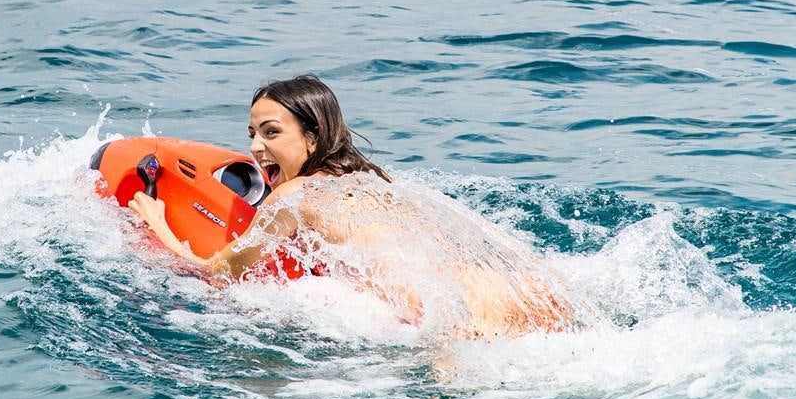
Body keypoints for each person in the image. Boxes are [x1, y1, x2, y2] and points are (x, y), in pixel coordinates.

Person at [128, 75, 577, 338]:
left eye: (270, 133)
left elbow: (220, 271)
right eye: (251, 133)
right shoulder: (372, 182)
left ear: (312, 137)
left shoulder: (294, 197)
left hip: (444, 318)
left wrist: (158, 226)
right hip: (508, 293)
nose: (255, 147)